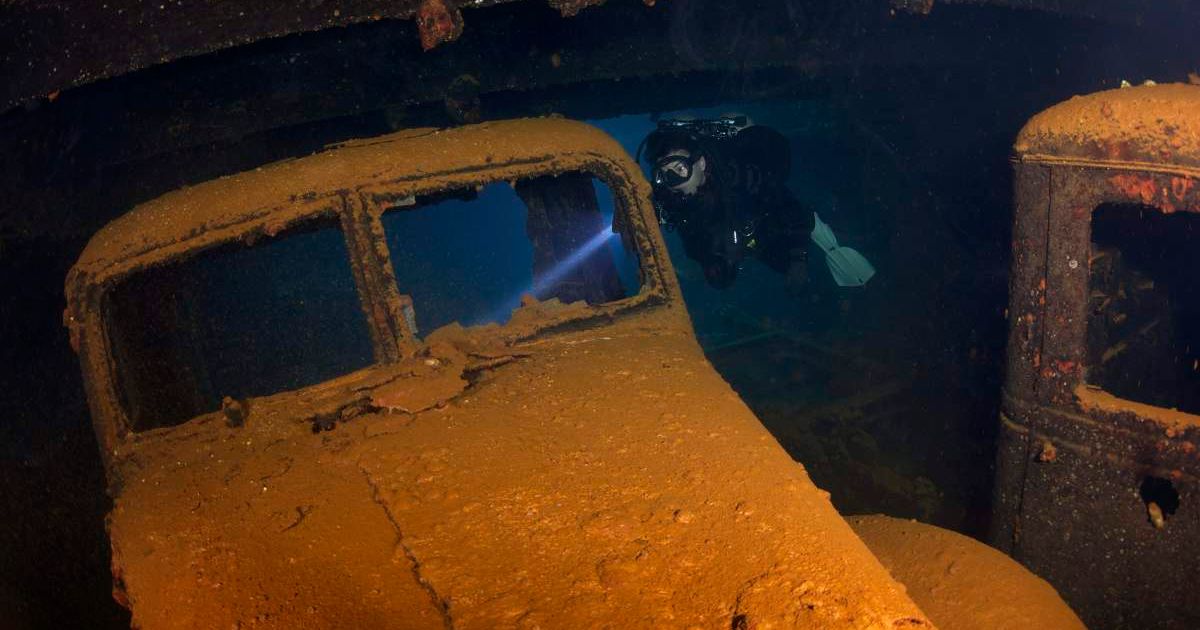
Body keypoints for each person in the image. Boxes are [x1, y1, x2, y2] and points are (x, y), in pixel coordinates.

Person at [640, 114, 873, 290]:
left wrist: (798, 258)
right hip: (729, 240)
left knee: (795, 273)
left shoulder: (743, 179)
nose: (673, 182)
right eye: (664, 174)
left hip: (761, 233)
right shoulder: (669, 193)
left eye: (679, 169)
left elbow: (794, 211)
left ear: (700, 163)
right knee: (721, 281)